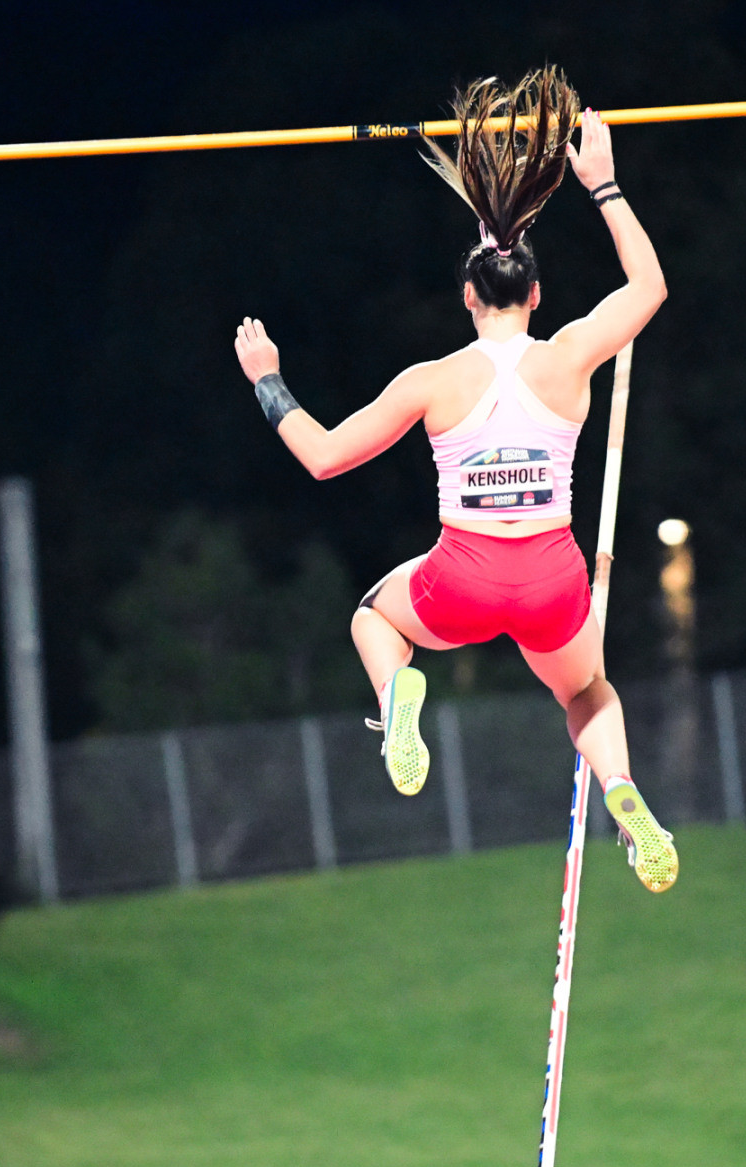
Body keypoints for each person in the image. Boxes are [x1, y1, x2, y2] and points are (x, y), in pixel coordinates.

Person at [231, 68, 675, 891]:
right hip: (552, 576)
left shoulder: (430, 382)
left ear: (467, 295)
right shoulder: (569, 356)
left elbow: (322, 456)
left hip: (461, 576)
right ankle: (623, 790)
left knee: (374, 616)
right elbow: (649, 286)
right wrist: (603, 184)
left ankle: (398, 696)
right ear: (536, 295)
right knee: (587, 693)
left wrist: (267, 380)